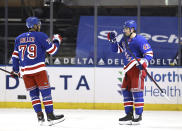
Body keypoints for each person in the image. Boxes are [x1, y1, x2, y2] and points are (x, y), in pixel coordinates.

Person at [11, 16, 64, 126]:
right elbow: (52, 50)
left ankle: (40, 117)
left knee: (33, 95)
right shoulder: (41, 36)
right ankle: (50, 116)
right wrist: (57, 40)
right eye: (38, 24)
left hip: (26, 72)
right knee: (46, 93)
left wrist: (16, 70)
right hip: (39, 70)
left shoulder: (18, 38)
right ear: (34, 26)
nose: (39, 26)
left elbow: (15, 57)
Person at [107, 20, 153, 125]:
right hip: (128, 69)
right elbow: (117, 50)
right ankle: (129, 115)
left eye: (126, 29)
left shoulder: (140, 40)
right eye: (124, 29)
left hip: (137, 69)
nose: (124, 31)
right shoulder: (124, 39)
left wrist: (143, 62)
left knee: (137, 91)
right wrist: (112, 41)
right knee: (125, 90)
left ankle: (138, 115)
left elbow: (149, 53)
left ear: (132, 29)